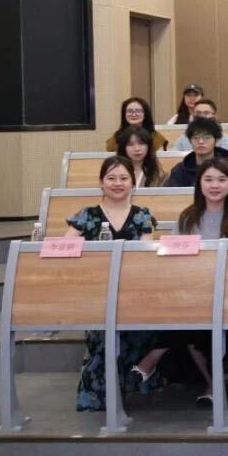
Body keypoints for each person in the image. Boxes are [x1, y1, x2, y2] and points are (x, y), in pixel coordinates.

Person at [131, 158, 228, 405]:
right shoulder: (187, 216)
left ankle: (153, 357)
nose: (214, 185)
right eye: (208, 179)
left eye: (221, 180)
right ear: (199, 184)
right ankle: (213, 386)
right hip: (190, 288)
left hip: (227, 291)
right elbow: (174, 254)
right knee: (191, 320)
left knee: (193, 322)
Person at [62, 156, 157, 411]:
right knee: (104, 334)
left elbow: (146, 256)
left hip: (133, 291)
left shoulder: (142, 215)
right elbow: (65, 249)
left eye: (124, 178)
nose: (118, 183)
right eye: (111, 178)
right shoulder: (86, 215)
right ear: (101, 182)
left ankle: (125, 387)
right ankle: (101, 393)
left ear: (133, 182)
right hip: (96, 292)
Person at [166, 118, 228, 187]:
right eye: (196, 138)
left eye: (206, 138)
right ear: (190, 141)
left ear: (216, 140)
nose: (201, 142)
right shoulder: (180, 170)